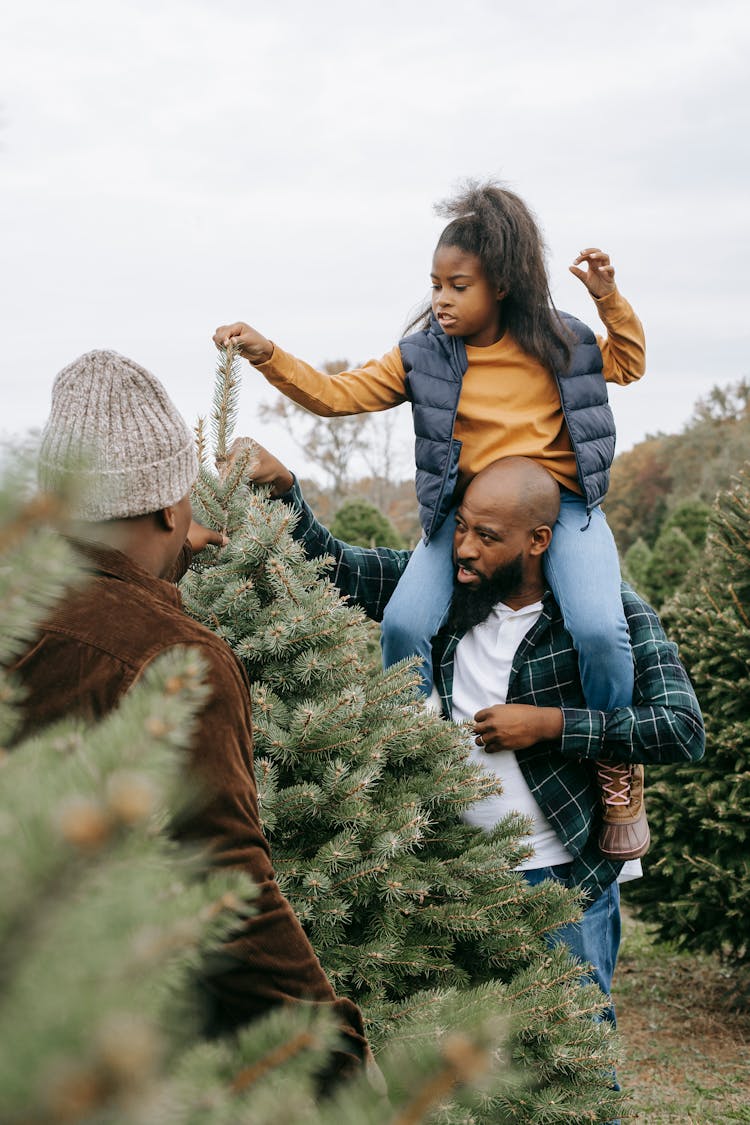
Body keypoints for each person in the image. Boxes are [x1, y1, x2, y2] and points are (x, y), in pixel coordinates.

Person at [212, 179, 648, 861]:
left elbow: (629, 362)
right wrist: (269, 355)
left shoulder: (562, 341)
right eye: (436, 284)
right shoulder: (423, 357)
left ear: (499, 284)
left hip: (560, 506)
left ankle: (617, 761)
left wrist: (606, 296)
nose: (441, 298)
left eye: (458, 285)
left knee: (599, 626)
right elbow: (336, 395)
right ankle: (423, 760)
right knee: (406, 623)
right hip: (465, 512)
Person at [238, 442, 705, 1063]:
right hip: (450, 875)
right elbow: (340, 568)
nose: (464, 549)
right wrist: (284, 488)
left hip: (563, 880)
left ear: (538, 540)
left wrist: (549, 724)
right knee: (467, 1070)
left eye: (486, 537)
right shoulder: (450, 594)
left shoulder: (608, 616)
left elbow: (680, 727)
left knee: (571, 1061)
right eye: (460, 529)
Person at [9, 350, 369, 1088]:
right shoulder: (174, 659)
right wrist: (330, 1051)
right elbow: (226, 886)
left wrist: (159, 568)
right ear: (172, 506)